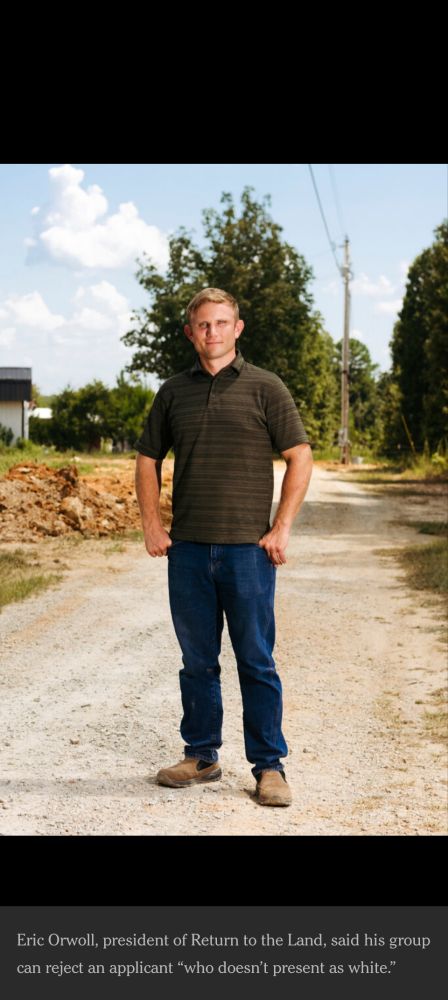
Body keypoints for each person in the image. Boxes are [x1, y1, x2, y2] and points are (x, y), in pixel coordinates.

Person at [135, 288, 313, 806]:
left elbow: (299, 456)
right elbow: (147, 459)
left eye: (221, 323)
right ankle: (201, 756)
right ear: (190, 332)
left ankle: (269, 767)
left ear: (238, 328)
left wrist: (281, 528)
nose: (211, 332)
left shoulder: (266, 388)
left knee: (256, 659)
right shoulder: (172, 392)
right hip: (187, 550)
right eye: (202, 325)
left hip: (247, 553)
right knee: (197, 660)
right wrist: (152, 523)